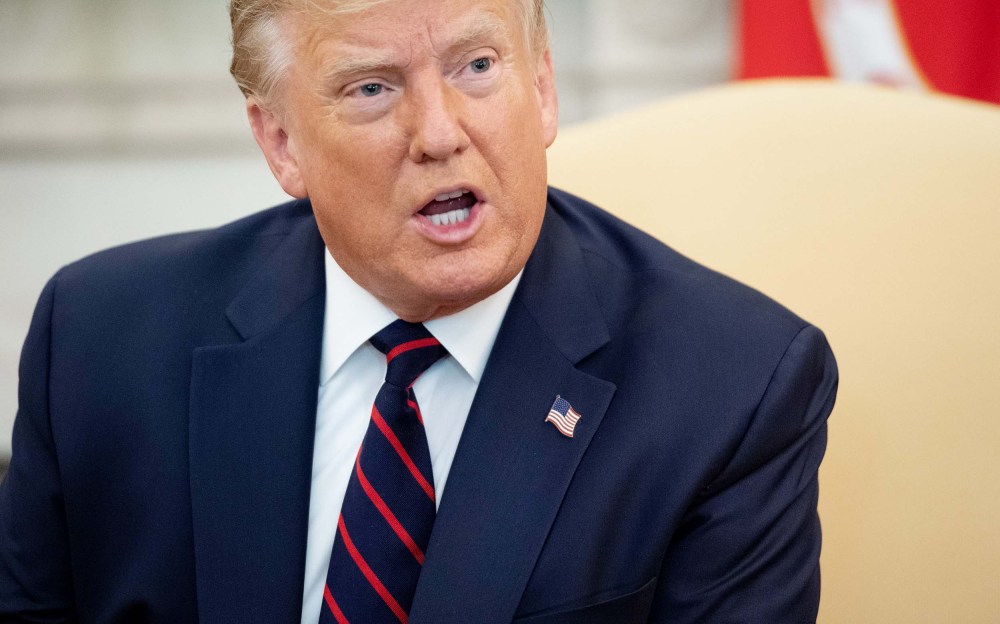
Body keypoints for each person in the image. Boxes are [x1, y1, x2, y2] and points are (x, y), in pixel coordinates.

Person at [0, 0, 838, 622]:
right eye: (371, 87)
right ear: (281, 143)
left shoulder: (733, 387)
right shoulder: (96, 340)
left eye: (477, 67)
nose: (439, 133)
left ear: (542, 88)